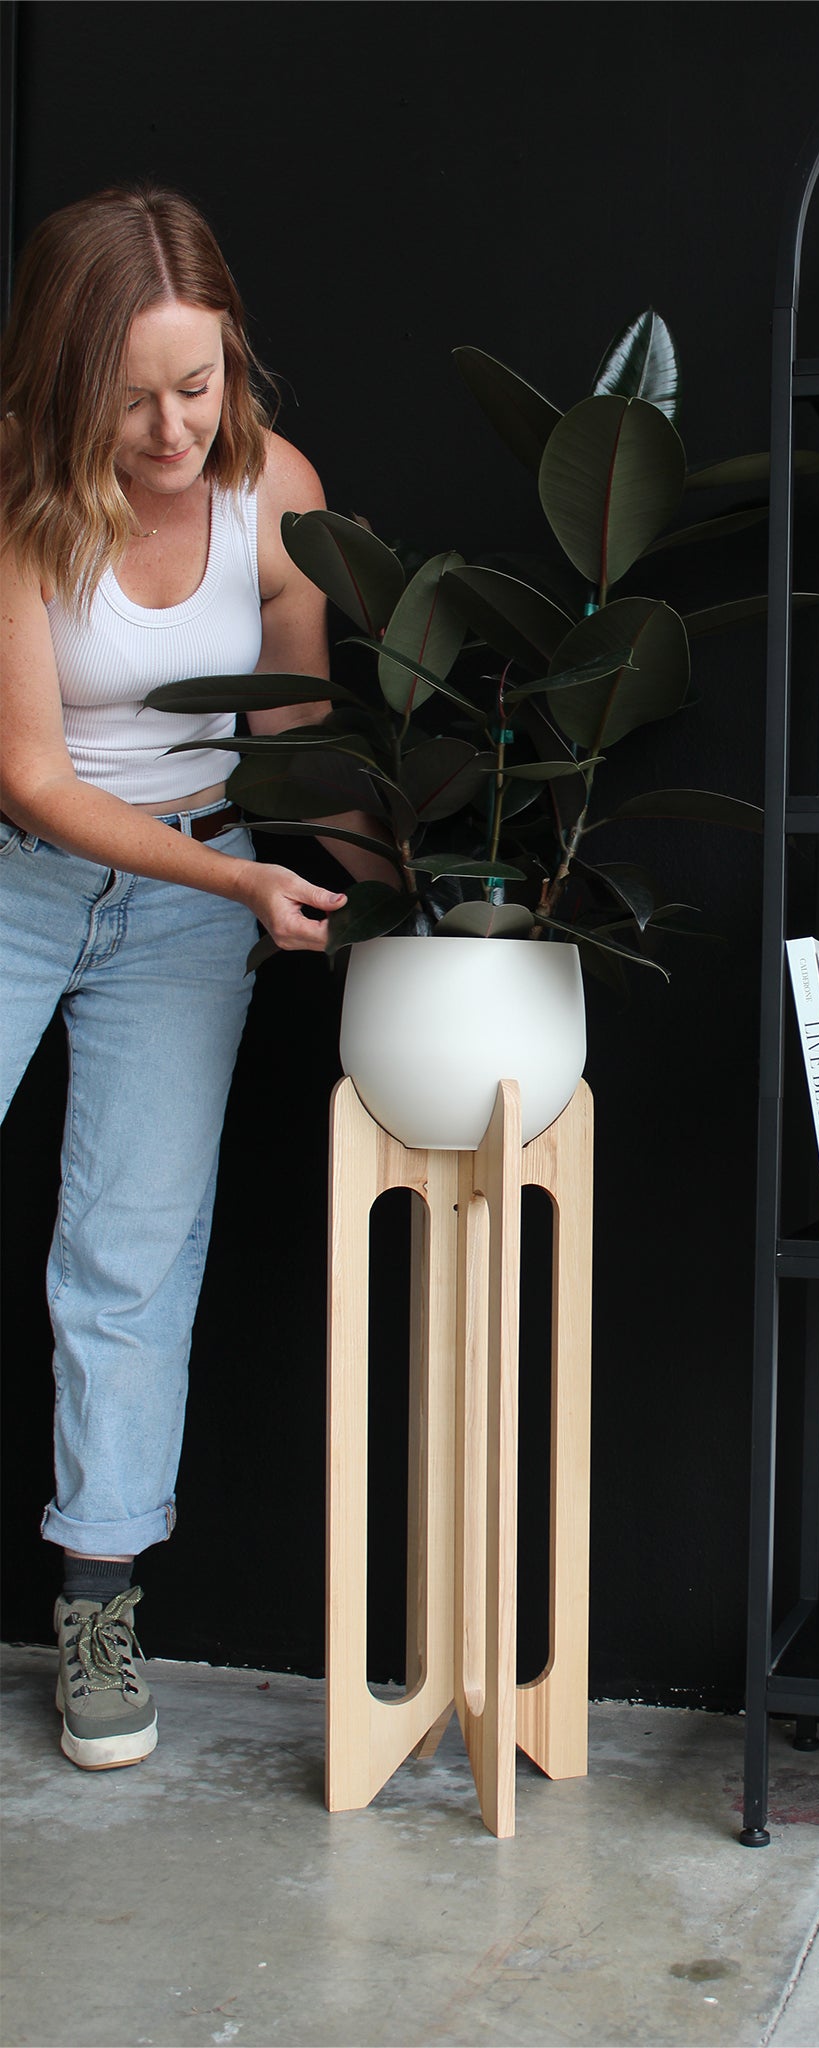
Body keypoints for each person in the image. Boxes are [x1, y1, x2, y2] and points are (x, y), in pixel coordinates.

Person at [0, 185, 381, 1770]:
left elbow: (291, 736)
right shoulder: (19, 492)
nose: (172, 430)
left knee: (132, 1256)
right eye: (134, 394)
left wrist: (389, 870)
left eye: (199, 384)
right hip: (29, 876)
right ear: (68, 374)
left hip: (187, 912)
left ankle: (98, 1605)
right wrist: (233, 873)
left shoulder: (272, 492)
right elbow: (31, 777)